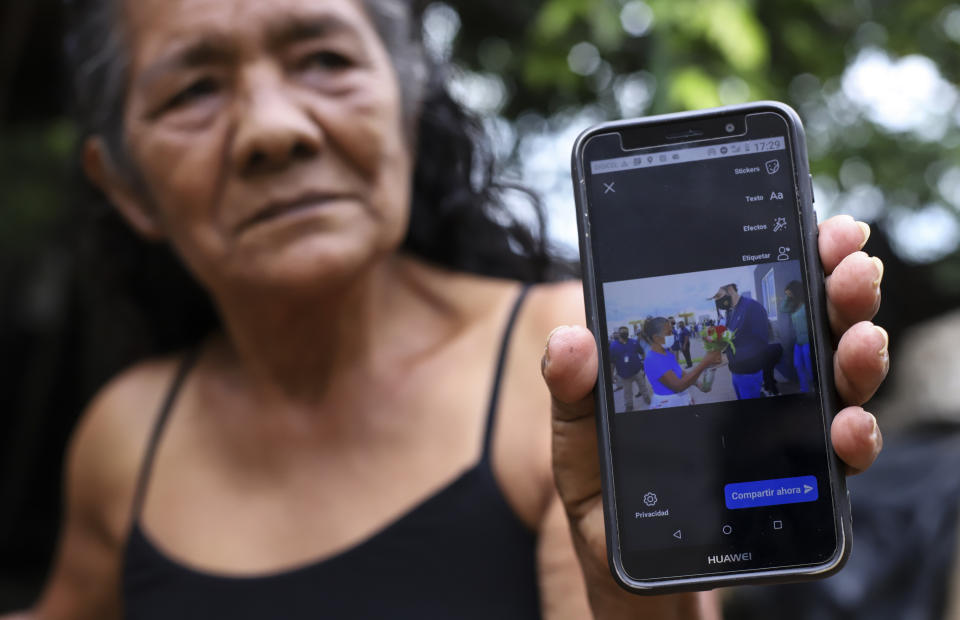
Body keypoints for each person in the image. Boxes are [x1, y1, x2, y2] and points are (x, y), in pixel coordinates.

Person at [2, 0, 888, 618]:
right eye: (193, 89)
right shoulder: (126, 435)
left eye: (324, 59)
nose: (275, 127)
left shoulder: (559, 363)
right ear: (124, 186)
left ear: (408, 98)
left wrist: (636, 599)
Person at [710, 283, 780, 400]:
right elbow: (732, 337)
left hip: (749, 373)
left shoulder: (753, 307)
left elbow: (760, 344)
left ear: (730, 289)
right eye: (714, 298)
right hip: (736, 371)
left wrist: (728, 358)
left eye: (718, 295)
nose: (717, 300)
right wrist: (720, 352)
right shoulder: (730, 312)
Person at [641, 317, 722, 409]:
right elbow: (678, 386)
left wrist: (698, 384)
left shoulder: (667, 353)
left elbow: (680, 373)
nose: (672, 335)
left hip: (680, 400)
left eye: (671, 332)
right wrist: (704, 363)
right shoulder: (653, 359)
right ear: (656, 338)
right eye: (669, 333)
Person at [781, 280, 813, 393]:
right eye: (787, 294)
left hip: (807, 342)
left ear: (796, 291)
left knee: (809, 367)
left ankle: (816, 389)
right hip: (798, 343)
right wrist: (788, 297)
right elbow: (783, 308)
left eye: (790, 293)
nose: (788, 295)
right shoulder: (793, 306)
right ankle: (804, 389)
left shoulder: (806, 305)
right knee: (798, 365)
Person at [609, 326, 650, 411]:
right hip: (624, 375)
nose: (624, 333)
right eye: (622, 331)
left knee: (643, 386)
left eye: (626, 331)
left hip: (637, 371)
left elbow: (642, 352)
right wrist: (611, 375)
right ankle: (629, 405)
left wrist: (643, 362)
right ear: (619, 333)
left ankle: (646, 397)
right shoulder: (613, 347)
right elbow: (612, 362)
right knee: (627, 392)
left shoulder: (634, 342)